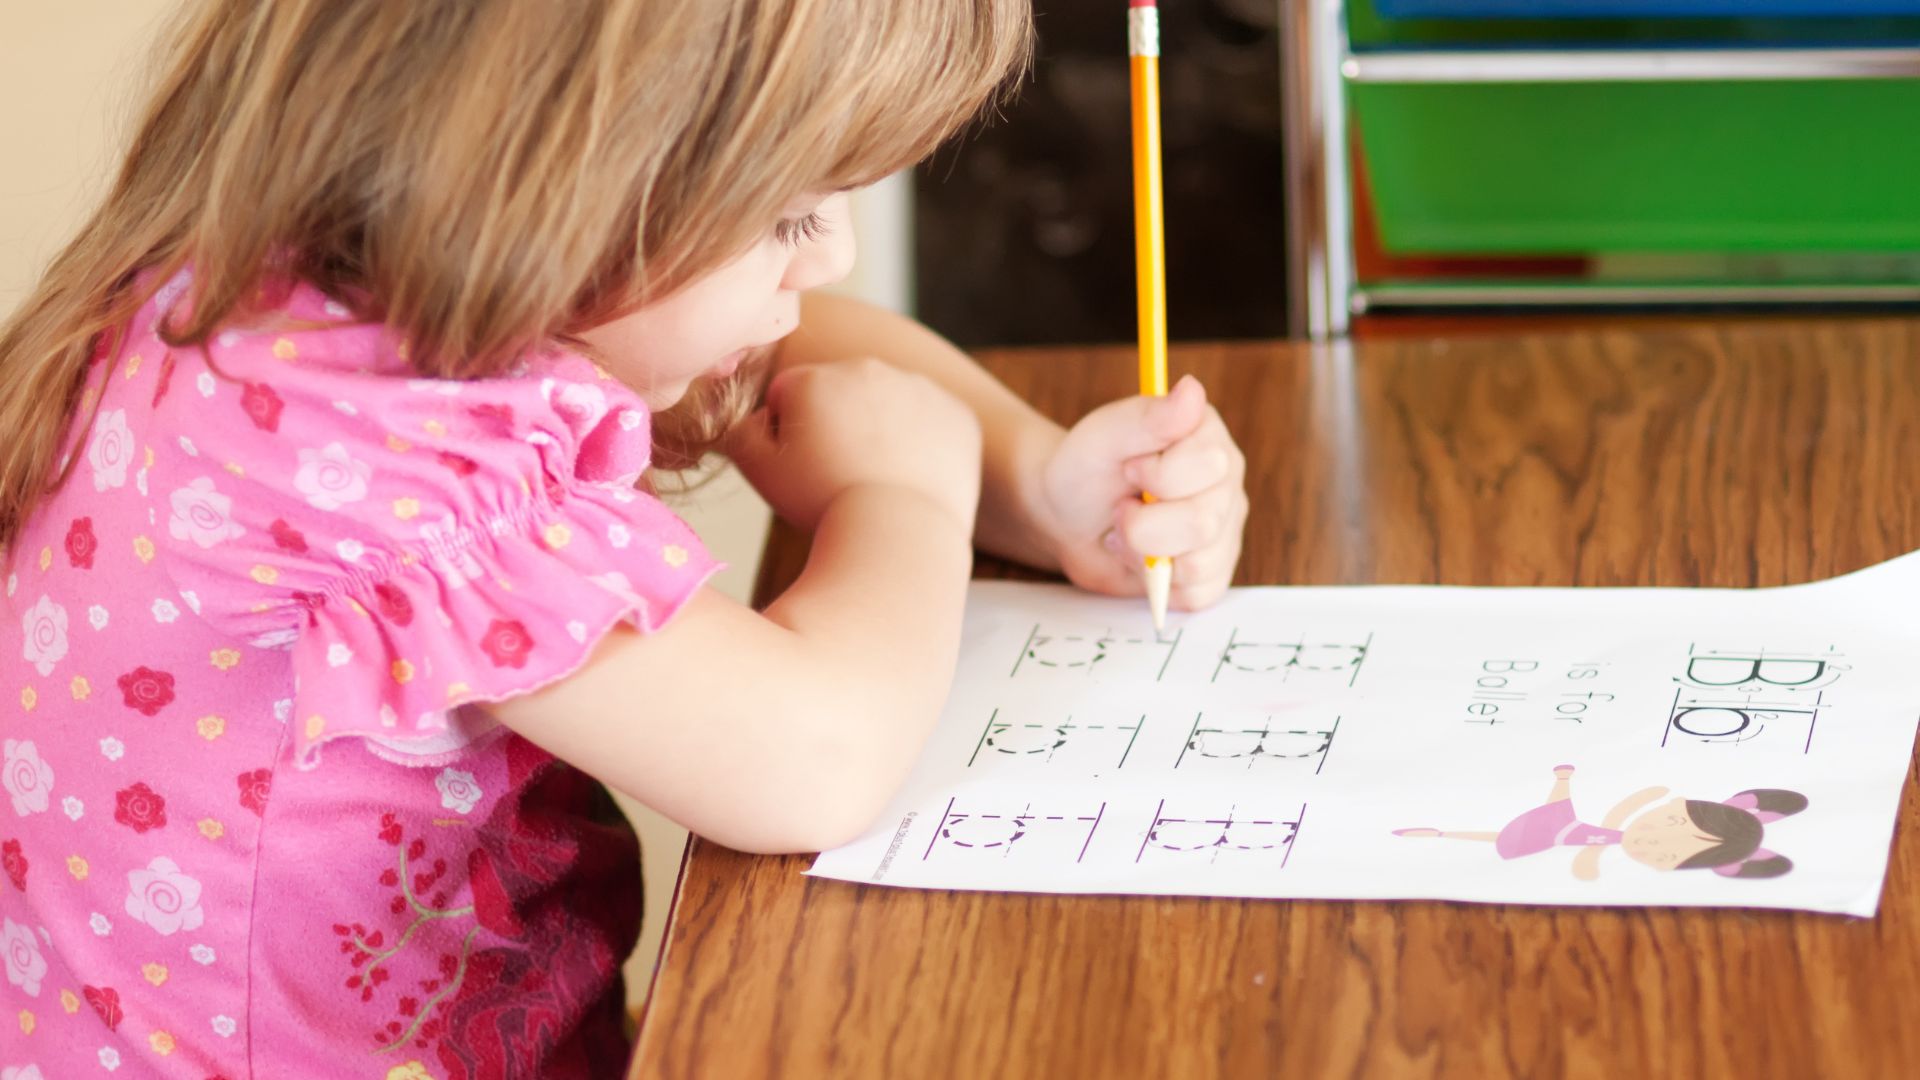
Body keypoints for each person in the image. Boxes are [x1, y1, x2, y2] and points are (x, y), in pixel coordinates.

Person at [0, 1, 1248, 1075]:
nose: (835, 255)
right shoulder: (373, 454)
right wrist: (910, 500)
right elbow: (810, 761)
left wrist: (1035, 476)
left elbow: (788, 344)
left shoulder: (306, 280)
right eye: (789, 214)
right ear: (563, 179)